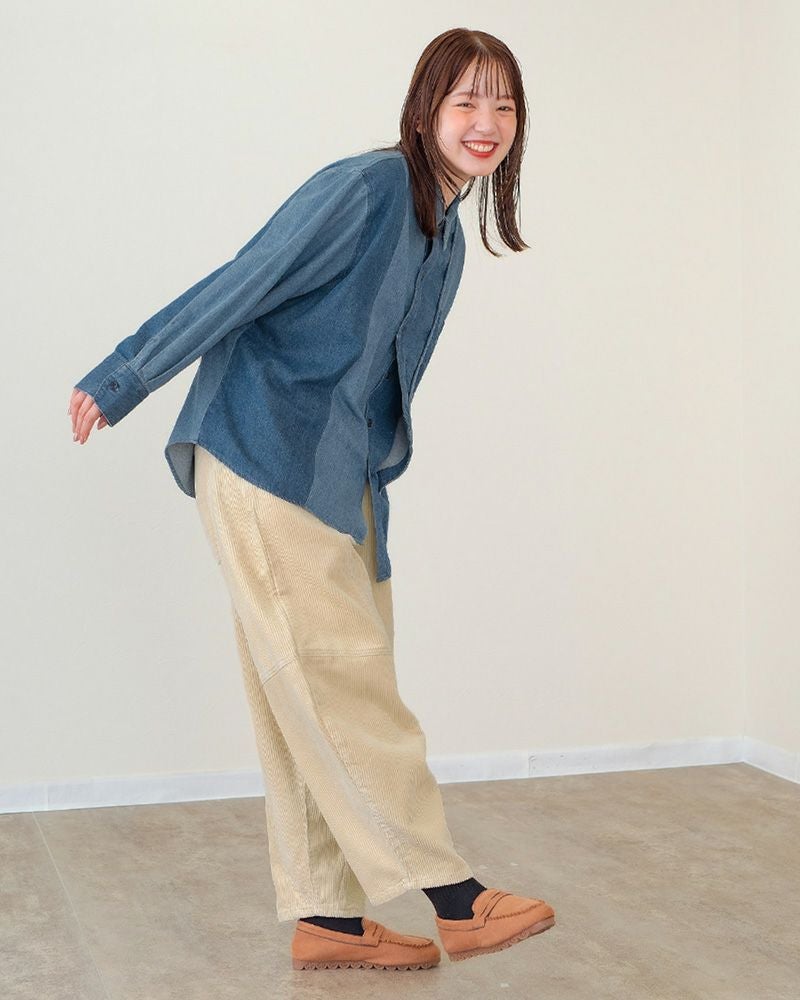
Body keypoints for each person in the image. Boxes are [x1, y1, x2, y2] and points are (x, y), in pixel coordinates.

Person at [68, 27, 555, 970]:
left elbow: (383, 381)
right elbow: (247, 279)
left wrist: (372, 497)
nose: (486, 122)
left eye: (504, 105)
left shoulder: (445, 234)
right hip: (265, 451)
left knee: (299, 686)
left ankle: (327, 919)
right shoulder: (367, 189)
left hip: (338, 474)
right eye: (467, 100)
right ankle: (453, 897)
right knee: (338, 674)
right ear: (425, 109)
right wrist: (125, 375)